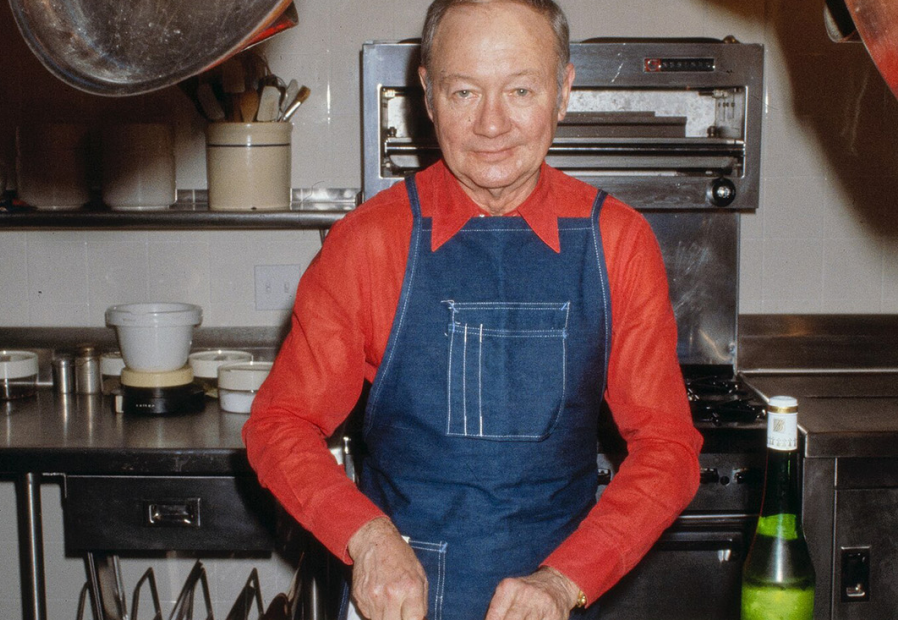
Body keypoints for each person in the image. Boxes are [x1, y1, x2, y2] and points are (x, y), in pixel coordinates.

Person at [243, 1, 703, 619]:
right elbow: (279, 424)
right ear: (428, 95)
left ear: (563, 92)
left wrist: (565, 581)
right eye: (464, 92)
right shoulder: (367, 243)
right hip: (397, 604)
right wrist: (367, 538)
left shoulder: (617, 243)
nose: (493, 124)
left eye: (520, 90)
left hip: (559, 598)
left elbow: (668, 449)